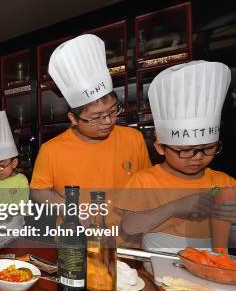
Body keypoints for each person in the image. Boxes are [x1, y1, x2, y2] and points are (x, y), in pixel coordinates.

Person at [117, 61, 236, 253]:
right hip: (157, 262)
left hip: (208, 265)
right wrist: (175, 207)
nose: (197, 157)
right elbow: (129, 227)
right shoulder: (145, 181)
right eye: (186, 150)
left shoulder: (224, 183)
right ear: (161, 148)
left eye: (208, 148)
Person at [30, 34, 151, 205]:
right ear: (73, 118)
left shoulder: (134, 138)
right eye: (96, 117)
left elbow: (147, 182)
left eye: (112, 111)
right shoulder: (51, 150)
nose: (108, 121)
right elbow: (38, 190)